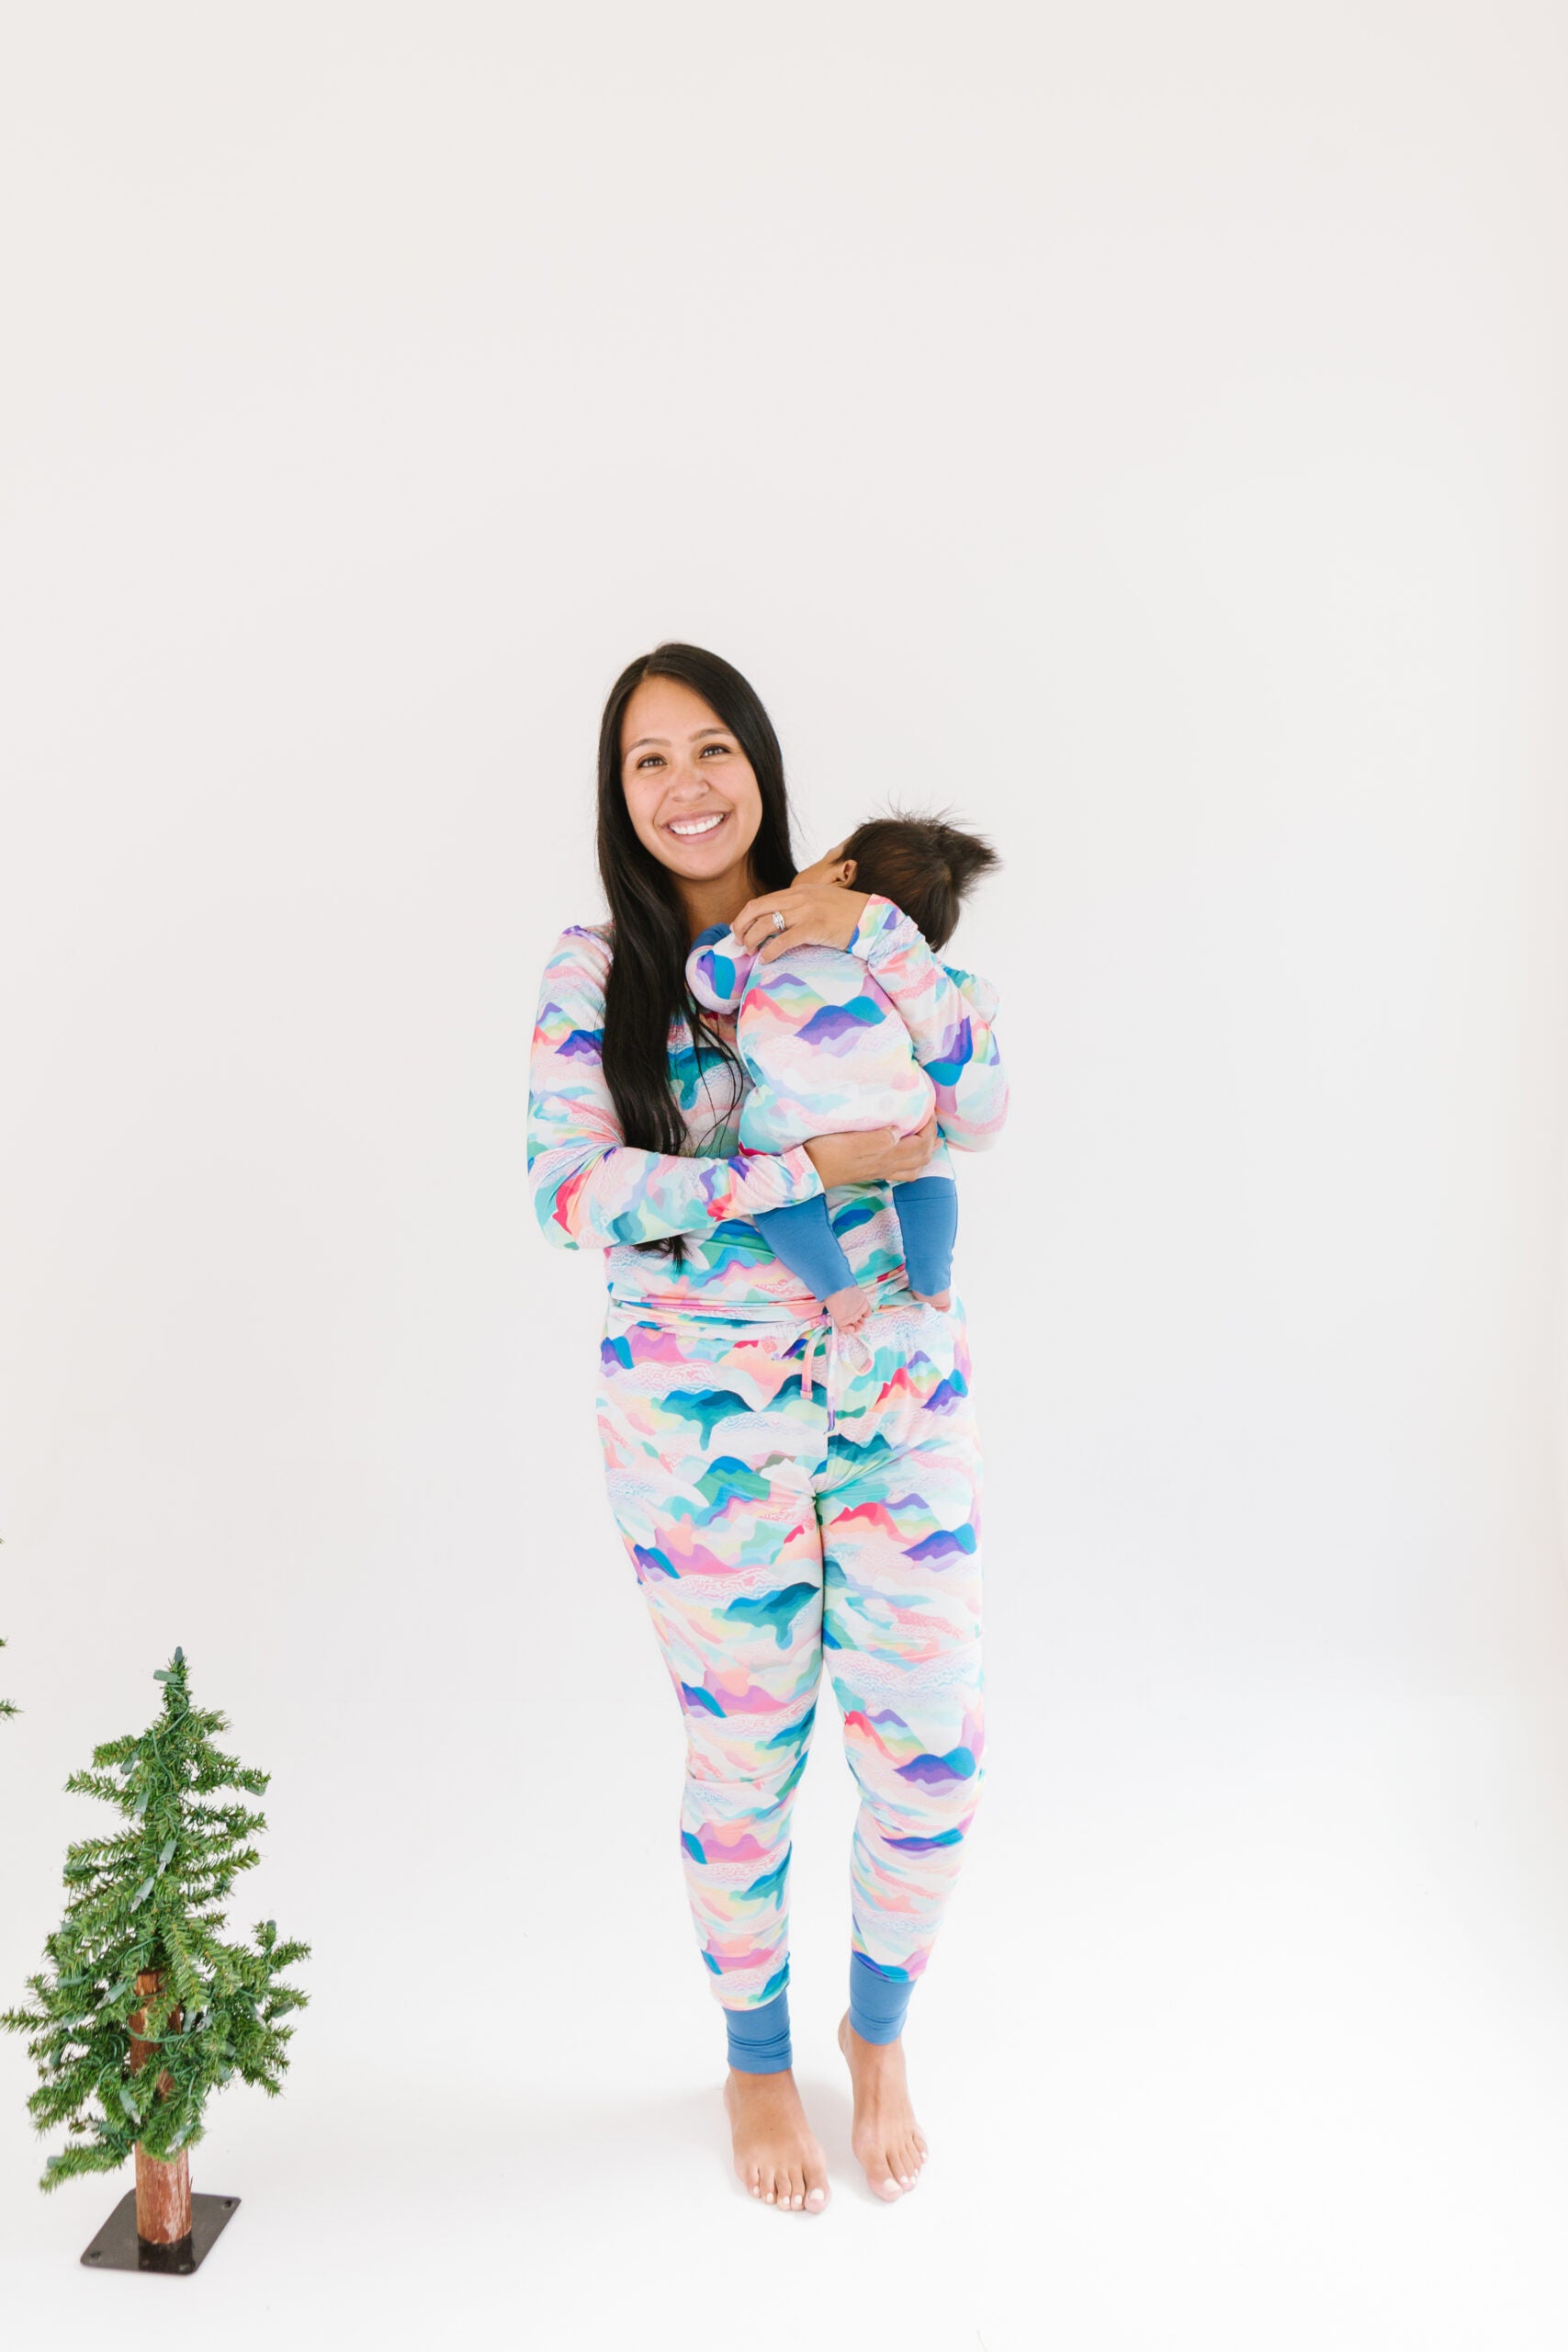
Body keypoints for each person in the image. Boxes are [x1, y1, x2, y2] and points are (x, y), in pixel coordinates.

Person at [527, 642, 1009, 2213]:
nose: (685, 784)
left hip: (893, 1388)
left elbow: (978, 1097)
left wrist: (868, 927)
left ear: (760, 764)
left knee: (927, 1751)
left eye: (712, 747)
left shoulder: (857, 933)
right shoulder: (595, 973)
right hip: (693, 1421)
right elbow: (574, 1191)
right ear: (619, 795)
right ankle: (752, 2057)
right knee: (746, 1760)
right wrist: (796, 1177)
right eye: (648, 759)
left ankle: (877, 2036)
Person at [684, 814, 1000, 1328]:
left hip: (794, 1113)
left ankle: (834, 1287)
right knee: (928, 1157)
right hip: (894, 1104)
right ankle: (932, 1273)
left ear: (841, 872)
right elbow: (976, 998)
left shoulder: (768, 933)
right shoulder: (898, 960)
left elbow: (710, 985)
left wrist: (720, 937)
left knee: (773, 1185)